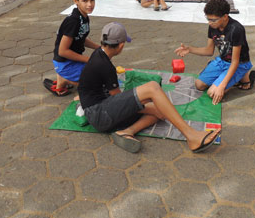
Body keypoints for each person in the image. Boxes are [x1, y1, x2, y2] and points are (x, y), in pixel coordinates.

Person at [78, 22, 221, 153]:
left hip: (101, 110)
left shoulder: (98, 55)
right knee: (152, 88)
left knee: (161, 109)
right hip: (99, 115)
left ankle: (127, 132)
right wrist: (142, 104)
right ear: (121, 45)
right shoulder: (104, 65)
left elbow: (89, 87)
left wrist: (146, 104)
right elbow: (117, 98)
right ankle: (191, 136)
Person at [175, 0, 255, 105]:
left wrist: (222, 86)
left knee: (212, 93)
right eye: (208, 19)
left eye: (213, 20)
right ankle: (234, 77)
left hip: (238, 64)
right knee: (199, 85)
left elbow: (235, 61)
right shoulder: (213, 26)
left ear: (225, 17)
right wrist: (190, 49)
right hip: (222, 61)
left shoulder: (236, 29)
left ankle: (243, 77)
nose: (210, 23)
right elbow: (209, 51)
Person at [45, 0, 100, 96]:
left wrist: (98, 47)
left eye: (92, 0)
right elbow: (62, 51)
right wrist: (88, 60)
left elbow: (81, 38)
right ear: (76, 1)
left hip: (72, 60)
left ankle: (63, 80)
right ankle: (63, 79)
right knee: (96, 83)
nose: (90, 4)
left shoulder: (84, 16)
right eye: (85, 1)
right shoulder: (73, 21)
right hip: (65, 63)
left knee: (100, 71)